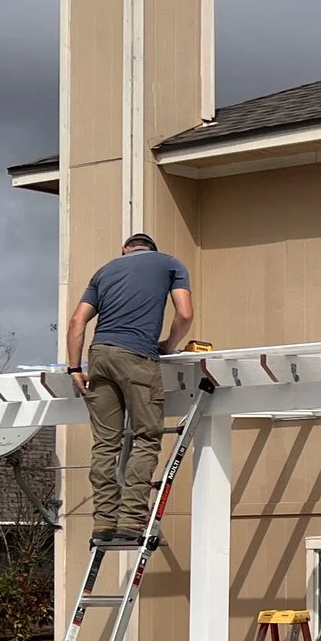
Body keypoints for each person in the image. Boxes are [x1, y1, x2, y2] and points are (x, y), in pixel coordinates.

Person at [65, 232, 193, 545]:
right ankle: (132, 520)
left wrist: (74, 368)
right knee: (146, 437)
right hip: (138, 356)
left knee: (105, 443)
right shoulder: (171, 264)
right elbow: (185, 313)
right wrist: (168, 345)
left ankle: (104, 521)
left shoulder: (104, 271)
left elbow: (77, 322)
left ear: (125, 250)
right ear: (153, 249)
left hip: (99, 357)